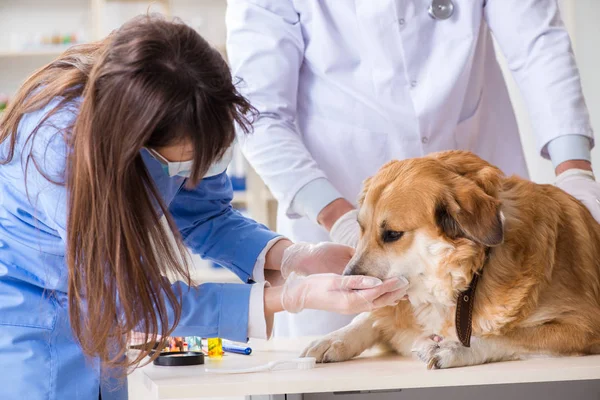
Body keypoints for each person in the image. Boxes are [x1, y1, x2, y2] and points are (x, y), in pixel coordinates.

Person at [0, 16, 408, 400]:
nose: (194, 174)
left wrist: (294, 256)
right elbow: (128, 300)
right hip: (33, 318)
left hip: (98, 311)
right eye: (184, 162)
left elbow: (207, 216)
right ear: (134, 138)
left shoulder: (191, 108)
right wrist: (290, 298)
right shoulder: (59, 153)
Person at [225, 0, 600, 338]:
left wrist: (575, 170)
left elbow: (537, 43)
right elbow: (257, 113)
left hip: (472, 218)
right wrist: (341, 219)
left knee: (505, 359)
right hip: (336, 199)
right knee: (349, 370)